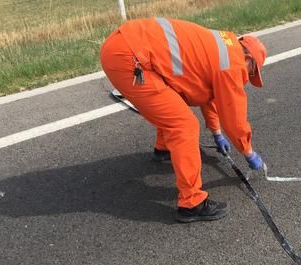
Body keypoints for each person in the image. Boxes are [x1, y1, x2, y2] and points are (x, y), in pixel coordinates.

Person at [100, 17, 266, 223]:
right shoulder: (233, 65)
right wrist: (249, 152)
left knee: (173, 100)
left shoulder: (224, 46)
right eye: (252, 72)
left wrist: (216, 132)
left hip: (126, 44)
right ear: (248, 57)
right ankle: (192, 203)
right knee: (184, 125)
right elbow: (235, 120)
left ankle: (164, 148)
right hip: (132, 59)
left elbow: (211, 97)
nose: (248, 77)